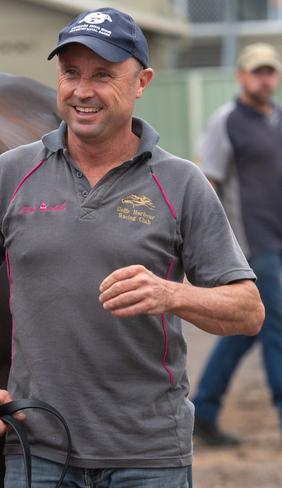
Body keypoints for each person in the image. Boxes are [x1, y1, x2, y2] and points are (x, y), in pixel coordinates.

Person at [0, 7, 264, 488]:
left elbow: (249, 310)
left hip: (149, 458)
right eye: (70, 73)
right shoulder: (11, 174)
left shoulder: (181, 184)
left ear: (142, 82)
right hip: (38, 453)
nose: (82, 91)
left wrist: (172, 295)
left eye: (103, 75)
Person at [191, 42, 282, 447]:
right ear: (241, 77)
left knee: (249, 329)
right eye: (257, 71)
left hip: (278, 240)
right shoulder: (225, 121)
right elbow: (205, 184)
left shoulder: (278, 119)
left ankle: (204, 410)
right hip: (251, 242)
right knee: (277, 327)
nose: (265, 78)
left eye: (270, 71)